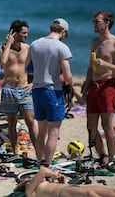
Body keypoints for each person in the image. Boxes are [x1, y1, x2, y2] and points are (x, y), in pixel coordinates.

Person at [82, 11, 115, 166]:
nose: (94, 24)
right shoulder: (94, 42)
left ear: (107, 23)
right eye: (93, 21)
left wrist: (106, 64)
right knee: (91, 126)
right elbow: (91, 66)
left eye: (97, 21)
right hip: (94, 87)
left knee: (107, 125)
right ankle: (102, 155)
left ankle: (112, 157)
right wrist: (85, 86)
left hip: (108, 85)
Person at [27, 18, 72, 166]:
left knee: (42, 131)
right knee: (54, 132)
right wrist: (69, 85)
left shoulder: (35, 44)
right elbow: (67, 75)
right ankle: (47, 163)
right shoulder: (61, 47)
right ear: (63, 31)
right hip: (53, 91)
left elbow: (27, 68)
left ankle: (40, 161)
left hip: (37, 91)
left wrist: (40, 72)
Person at [0, 20, 37, 154]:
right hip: (9, 89)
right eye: (24, 33)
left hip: (24, 88)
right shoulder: (3, 48)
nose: (26, 35)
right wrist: (9, 43)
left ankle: (39, 154)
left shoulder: (28, 48)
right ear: (15, 33)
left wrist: (33, 83)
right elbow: (2, 62)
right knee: (11, 123)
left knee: (30, 121)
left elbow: (38, 67)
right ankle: (15, 152)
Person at [14, 166, 115, 197]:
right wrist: (54, 174)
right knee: (90, 195)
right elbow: (42, 171)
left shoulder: (37, 188)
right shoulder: (30, 191)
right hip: (63, 193)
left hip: (66, 189)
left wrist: (62, 182)